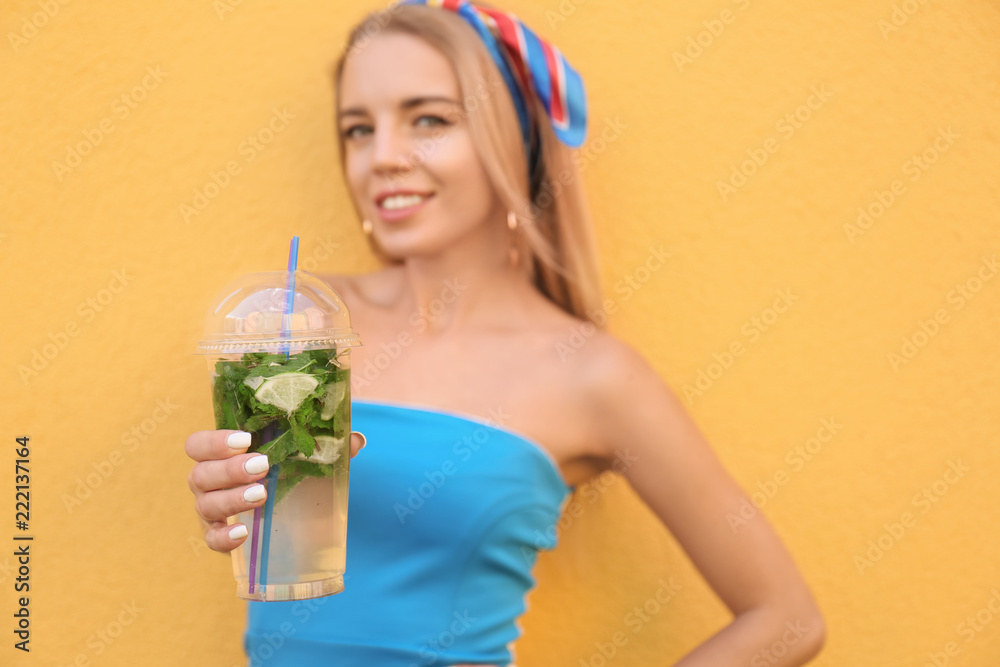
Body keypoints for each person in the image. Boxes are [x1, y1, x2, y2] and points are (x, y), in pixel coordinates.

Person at [185, 1, 827, 665]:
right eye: (357, 129)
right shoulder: (303, 325)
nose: (383, 157)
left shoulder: (591, 373)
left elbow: (786, 618)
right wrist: (230, 485)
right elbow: (254, 502)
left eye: (428, 118)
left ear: (512, 138)